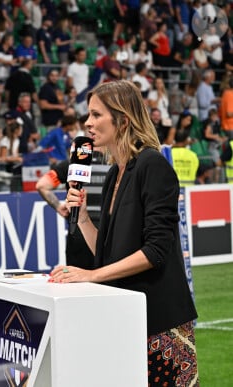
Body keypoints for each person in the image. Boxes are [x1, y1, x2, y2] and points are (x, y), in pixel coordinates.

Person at [56, 80, 198, 386]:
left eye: (96, 115)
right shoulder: (114, 173)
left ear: (122, 120)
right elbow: (106, 253)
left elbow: (155, 251)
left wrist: (91, 276)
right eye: (88, 115)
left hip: (160, 323)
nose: (87, 123)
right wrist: (81, 218)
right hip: (126, 319)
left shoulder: (153, 166)